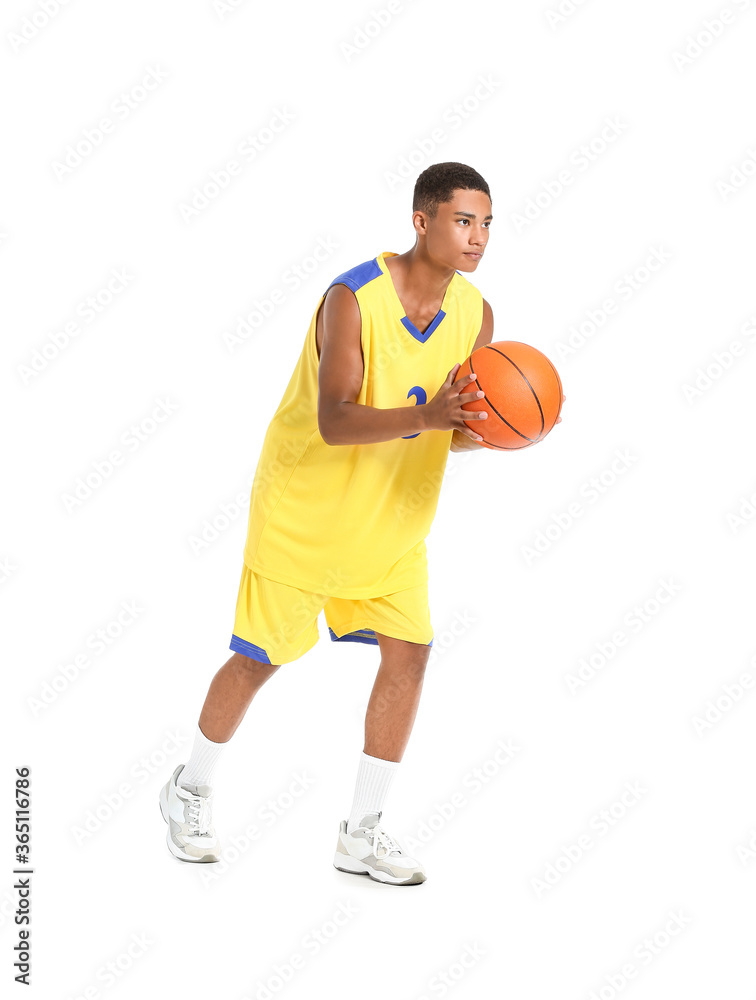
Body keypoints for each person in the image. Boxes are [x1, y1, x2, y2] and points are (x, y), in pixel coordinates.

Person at [159, 161, 560, 885]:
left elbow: (455, 424)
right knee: (258, 660)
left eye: (488, 223)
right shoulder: (351, 298)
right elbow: (336, 419)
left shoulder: (477, 315)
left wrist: (507, 429)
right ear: (422, 221)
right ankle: (188, 788)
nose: (478, 238)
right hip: (304, 515)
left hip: (392, 524)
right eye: (464, 220)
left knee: (409, 655)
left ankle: (362, 833)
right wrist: (432, 416)